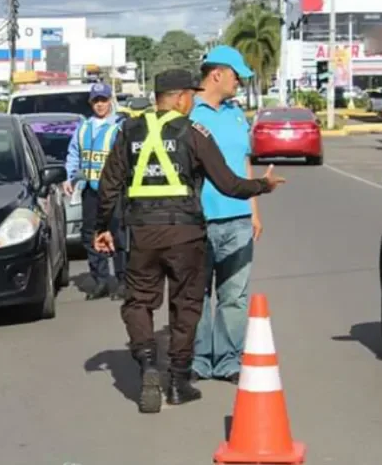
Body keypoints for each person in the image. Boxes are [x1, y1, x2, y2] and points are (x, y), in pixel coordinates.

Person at [93, 69, 286, 413]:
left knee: (138, 302)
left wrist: (102, 228)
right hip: (186, 233)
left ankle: (149, 364)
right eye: (190, 96)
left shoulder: (128, 131)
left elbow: (109, 185)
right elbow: (228, 183)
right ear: (180, 97)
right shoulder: (194, 131)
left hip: (142, 233)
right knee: (186, 304)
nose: (193, 101)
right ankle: (179, 382)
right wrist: (262, 187)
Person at [189, 45, 262, 384]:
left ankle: (229, 360)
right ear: (216, 74)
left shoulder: (235, 113)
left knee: (234, 295)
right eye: (236, 76)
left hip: (238, 220)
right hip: (197, 222)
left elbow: (244, 163)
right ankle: (200, 359)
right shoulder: (188, 112)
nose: (239, 83)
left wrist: (254, 211)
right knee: (197, 293)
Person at [64, 82, 128, 300]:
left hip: (115, 191)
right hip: (91, 190)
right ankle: (100, 280)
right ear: (91, 103)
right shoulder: (84, 128)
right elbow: (74, 154)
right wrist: (70, 176)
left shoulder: (120, 126)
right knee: (91, 236)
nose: (100, 105)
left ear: (110, 101)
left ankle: (122, 281)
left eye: (104, 100)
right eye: (96, 101)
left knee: (119, 234)